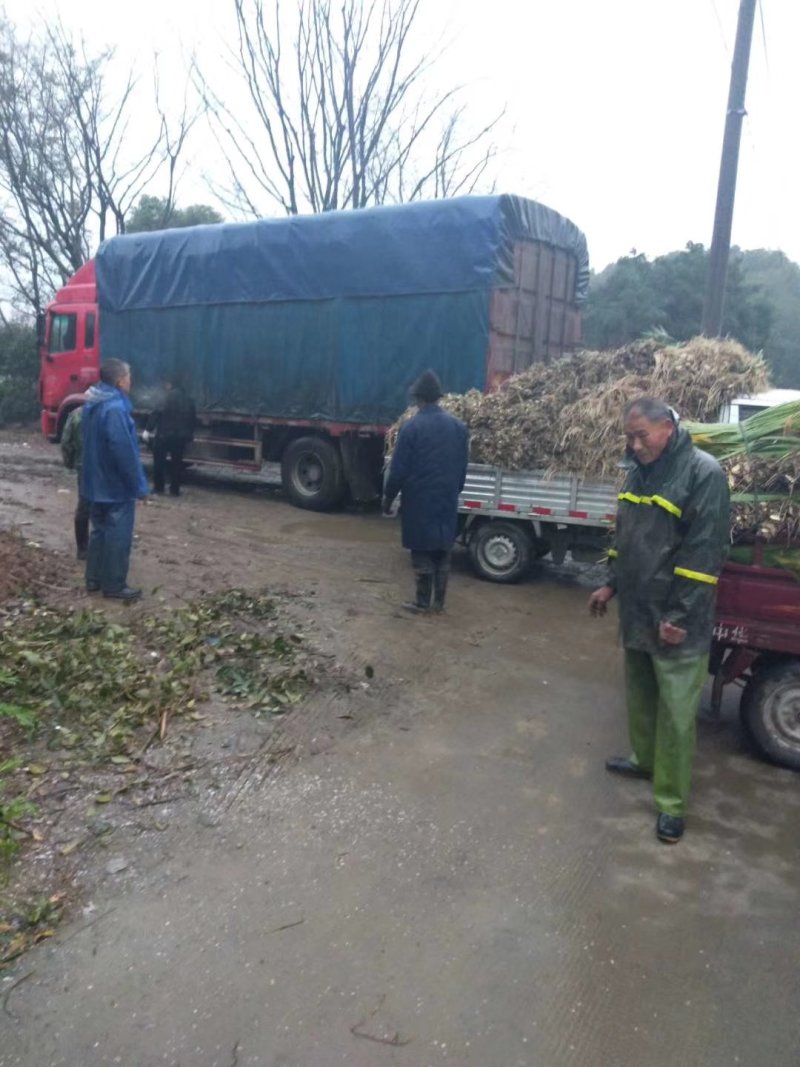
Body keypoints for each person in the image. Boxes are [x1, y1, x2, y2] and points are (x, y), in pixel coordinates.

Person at [589, 396, 730, 844]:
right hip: (638, 610)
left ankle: (671, 803)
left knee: (675, 712)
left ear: (667, 427)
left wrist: (679, 616)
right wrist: (611, 583)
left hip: (674, 618)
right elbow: (626, 537)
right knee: (642, 694)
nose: (633, 444)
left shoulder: (703, 473)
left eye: (640, 435)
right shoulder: (636, 471)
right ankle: (643, 761)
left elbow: (703, 554)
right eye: (628, 437)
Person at [383, 369, 469, 614]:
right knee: (443, 550)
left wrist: (388, 498)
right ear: (438, 398)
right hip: (446, 498)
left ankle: (422, 603)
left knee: (422, 551)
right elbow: (462, 468)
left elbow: (398, 470)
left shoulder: (412, 428)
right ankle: (439, 604)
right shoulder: (459, 427)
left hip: (420, 500)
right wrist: (454, 489)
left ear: (418, 398)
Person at [80, 359, 149, 601]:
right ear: (120, 380)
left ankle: (94, 579)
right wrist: (139, 486)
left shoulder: (92, 402)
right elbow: (124, 451)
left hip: (95, 481)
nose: (131, 381)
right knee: (118, 535)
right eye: (129, 376)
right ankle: (115, 586)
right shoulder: (115, 409)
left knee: (99, 531)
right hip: (114, 485)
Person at [144, 376, 196, 496]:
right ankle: (175, 489)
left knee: (159, 462)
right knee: (177, 463)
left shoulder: (165, 397)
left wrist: (148, 430)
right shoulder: (189, 399)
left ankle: (159, 487)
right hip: (181, 437)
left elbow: (156, 413)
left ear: (170, 385)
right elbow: (193, 419)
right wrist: (189, 435)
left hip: (164, 435)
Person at [60, 404, 91, 560]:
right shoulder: (108, 411)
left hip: (84, 466)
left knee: (84, 506)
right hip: (104, 469)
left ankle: (82, 548)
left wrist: (70, 463)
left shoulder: (76, 414)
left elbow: (66, 441)